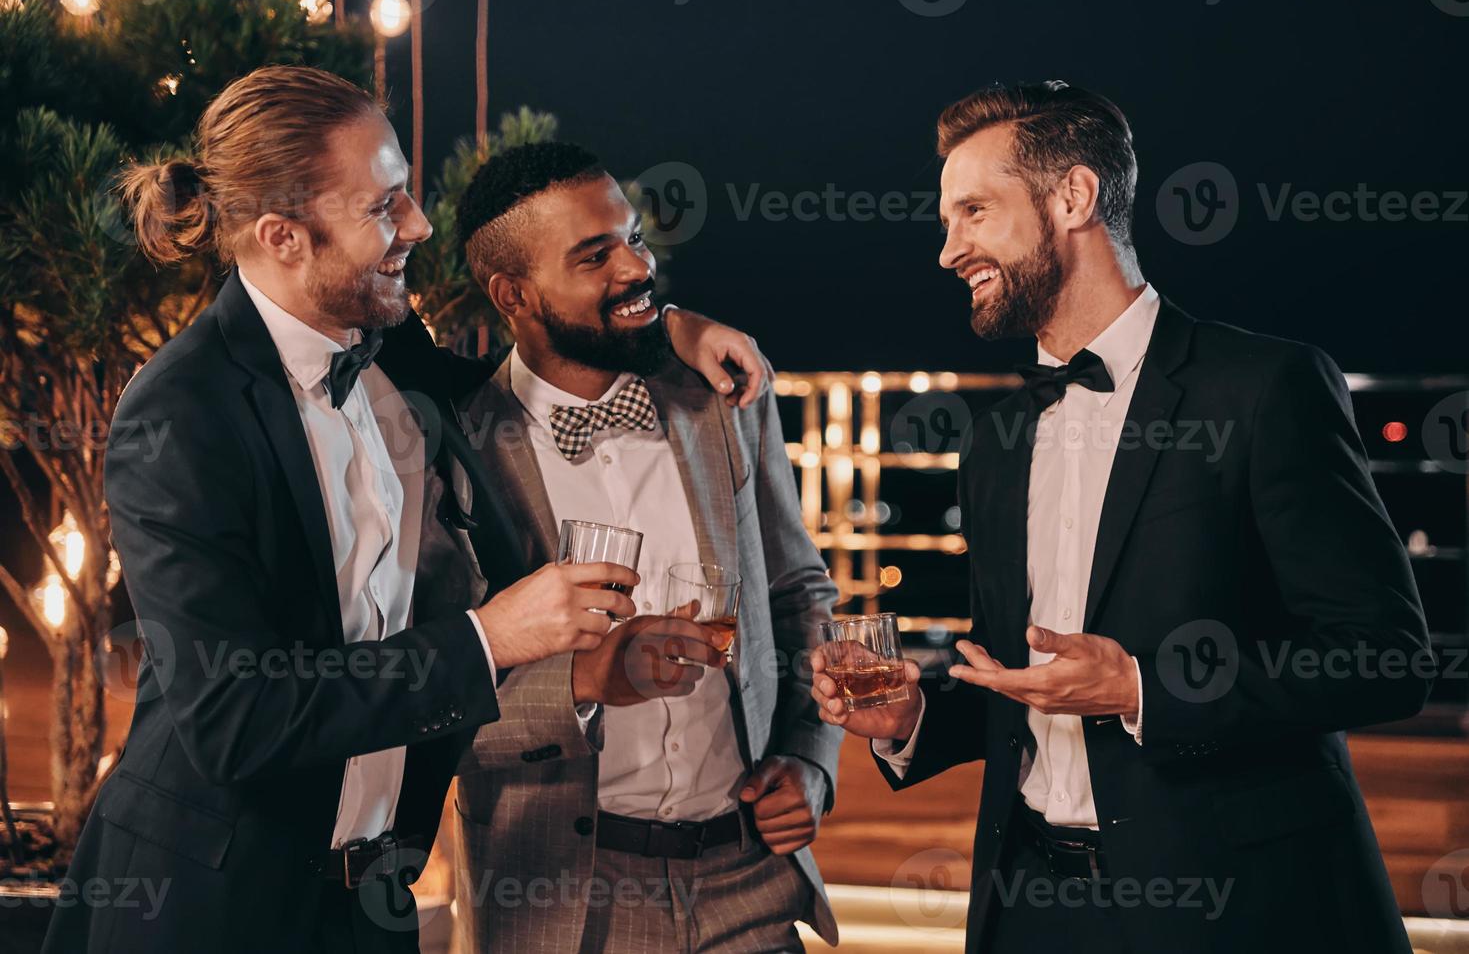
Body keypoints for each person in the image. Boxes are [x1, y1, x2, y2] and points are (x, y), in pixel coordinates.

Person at [44, 65, 765, 954]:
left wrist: (664, 328)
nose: (420, 227)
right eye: (385, 208)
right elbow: (235, 718)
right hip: (206, 904)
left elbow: (522, 382)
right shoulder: (180, 413)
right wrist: (489, 639)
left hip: (374, 902)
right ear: (283, 236)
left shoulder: (388, 345)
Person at [810, 80, 1431, 953]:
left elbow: (1386, 658)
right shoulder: (996, 439)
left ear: (1072, 197)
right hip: (1028, 907)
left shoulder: (1261, 388)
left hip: (1234, 910)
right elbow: (1022, 681)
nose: (949, 250)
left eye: (974, 212)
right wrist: (911, 721)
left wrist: (1143, 688)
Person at [448, 141, 843, 953]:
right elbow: (433, 696)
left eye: (632, 238)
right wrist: (588, 680)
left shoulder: (722, 395)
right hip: (560, 899)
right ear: (513, 294)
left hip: (749, 879)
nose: (635, 267)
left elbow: (798, 593)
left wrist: (811, 760)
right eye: (595, 256)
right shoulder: (455, 451)